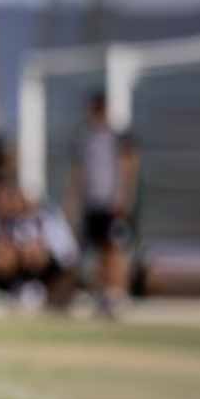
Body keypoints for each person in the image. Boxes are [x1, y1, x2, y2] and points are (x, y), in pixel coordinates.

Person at [65, 92, 132, 316]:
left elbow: (127, 167)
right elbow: (79, 173)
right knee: (94, 251)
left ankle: (117, 294)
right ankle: (101, 294)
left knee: (113, 249)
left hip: (111, 203)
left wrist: (123, 198)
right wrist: (73, 202)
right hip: (91, 203)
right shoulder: (85, 139)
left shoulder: (117, 137)